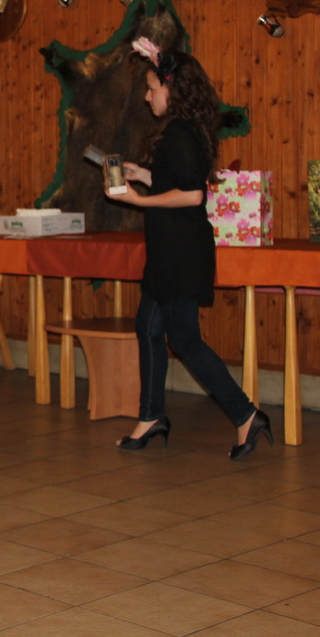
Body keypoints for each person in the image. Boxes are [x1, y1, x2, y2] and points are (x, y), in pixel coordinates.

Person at [106, 37, 272, 460]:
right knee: (149, 328)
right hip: (170, 250)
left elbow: (192, 194)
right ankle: (151, 416)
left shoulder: (179, 130)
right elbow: (177, 180)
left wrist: (140, 200)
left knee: (184, 339)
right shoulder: (182, 128)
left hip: (180, 252)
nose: (147, 97)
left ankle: (246, 414)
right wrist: (144, 174)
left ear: (171, 88)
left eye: (151, 88)